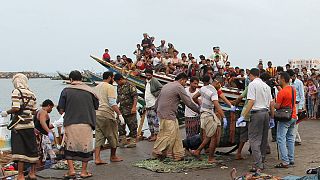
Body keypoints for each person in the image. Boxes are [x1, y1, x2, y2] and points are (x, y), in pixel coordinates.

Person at [58, 70, 99, 179]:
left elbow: (61, 109)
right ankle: (83, 171)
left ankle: (71, 170)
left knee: (69, 146)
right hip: (87, 122)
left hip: (71, 122)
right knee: (86, 147)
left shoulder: (66, 91)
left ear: (70, 79)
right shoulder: (90, 91)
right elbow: (96, 106)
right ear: (81, 79)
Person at [152, 73, 200, 161]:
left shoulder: (167, 85)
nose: (185, 84)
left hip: (163, 112)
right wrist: (199, 110)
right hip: (168, 114)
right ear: (182, 80)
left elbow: (158, 98)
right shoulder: (179, 87)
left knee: (176, 134)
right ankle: (157, 150)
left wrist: (155, 108)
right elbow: (188, 102)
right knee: (169, 134)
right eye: (185, 82)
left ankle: (178, 154)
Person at [0, 73, 38, 180]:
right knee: (32, 149)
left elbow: (16, 108)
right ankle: (32, 173)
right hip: (30, 125)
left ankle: (20, 175)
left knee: (20, 150)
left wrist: (6, 112)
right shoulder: (32, 94)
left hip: (19, 125)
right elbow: (34, 111)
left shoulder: (16, 92)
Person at [237, 68, 274, 172]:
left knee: (254, 139)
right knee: (263, 139)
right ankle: (261, 162)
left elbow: (251, 101)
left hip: (256, 113)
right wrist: (272, 116)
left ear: (251, 75)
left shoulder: (253, 84)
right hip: (266, 113)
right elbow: (271, 103)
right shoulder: (266, 86)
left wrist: (243, 115)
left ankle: (258, 165)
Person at [192, 75, 227, 163]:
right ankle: (210, 158)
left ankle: (198, 151)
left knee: (209, 135)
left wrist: (201, 105)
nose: (220, 87)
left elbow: (194, 97)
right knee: (213, 137)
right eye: (221, 85)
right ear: (218, 83)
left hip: (203, 114)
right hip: (208, 115)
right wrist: (224, 117)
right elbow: (217, 106)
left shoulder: (204, 88)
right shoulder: (214, 92)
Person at [94, 71, 124, 165]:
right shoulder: (109, 87)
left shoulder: (96, 87)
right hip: (107, 114)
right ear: (110, 77)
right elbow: (112, 103)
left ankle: (97, 158)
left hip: (97, 114)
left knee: (99, 136)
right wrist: (119, 114)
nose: (113, 80)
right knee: (113, 135)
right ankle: (113, 156)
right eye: (112, 78)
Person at [274, 72, 297, 168]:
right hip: (293, 116)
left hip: (285, 118)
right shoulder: (293, 89)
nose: (278, 80)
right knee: (290, 138)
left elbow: (277, 106)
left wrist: (272, 104)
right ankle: (291, 159)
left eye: (279, 79)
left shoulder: (281, 93)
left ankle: (285, 161)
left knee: (281, 138)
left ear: (283, 79)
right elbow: (286, 95)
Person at [114, 73, 138, 148]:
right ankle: (123, 140)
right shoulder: (119, 86)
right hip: (122, 109)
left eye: (117, 81)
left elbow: (135, 97)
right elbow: (119, 96)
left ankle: (133, 141)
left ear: (121, 79)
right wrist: (115, 104)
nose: (117, 83)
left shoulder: (130, 85)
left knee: (132, 125)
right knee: (120, 124)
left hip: (130, 109)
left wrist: (134, 107)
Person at [34, 99, 56, 164]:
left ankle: (40, 167)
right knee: (41, 153)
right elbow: (42, 122)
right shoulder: (43, 112)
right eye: (51, 108)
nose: (51, 110)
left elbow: (45, 124)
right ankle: (39, 169)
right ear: (49, 106)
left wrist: (55, 125)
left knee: (42, 153)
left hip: (39, 134)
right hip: (41, 136)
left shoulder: (38, 111)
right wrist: (48, 131)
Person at [287, 69, 305, 146]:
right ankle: (297, 139)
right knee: (292, 122)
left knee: (295, 122)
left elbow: (302, 96)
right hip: (290, 104)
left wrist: (301, 107)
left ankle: (293, 139)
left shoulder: (299, 82)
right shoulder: (289, 83)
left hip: (297, 104)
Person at [144, 69, 162, 141]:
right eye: (146, 75)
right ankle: (152, 134)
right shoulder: (146, 81)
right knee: (149, 120)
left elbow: (161, 88)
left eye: (149, 75)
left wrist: (155, 94)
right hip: (148, 104)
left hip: (153, 103)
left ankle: (156, 135)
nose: (148, 76)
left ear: (152, 75)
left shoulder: (154, 81)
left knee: (155, 120)